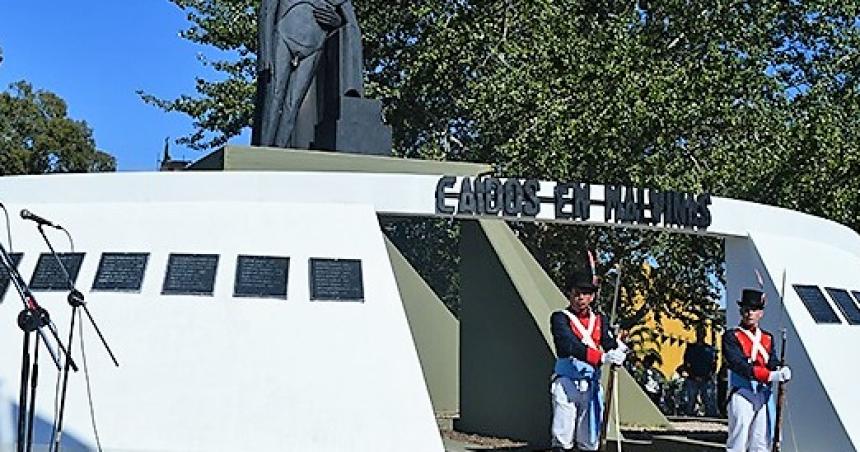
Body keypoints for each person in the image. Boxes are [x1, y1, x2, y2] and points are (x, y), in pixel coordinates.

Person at [254, 0, 363, 147]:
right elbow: (267, 12)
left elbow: (351, 26)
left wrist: (337, 22)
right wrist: (265, 54)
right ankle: (264, 148)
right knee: (274, 95)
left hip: (314, 46)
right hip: (283, 36)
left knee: (293, 104)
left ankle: (279, 150)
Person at [550, 270, 626, 452]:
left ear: (592, 297)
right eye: (576, 293)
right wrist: (601, 357)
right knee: (563, 436)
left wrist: (619, 349)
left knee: (590, 438)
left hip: (591, 384)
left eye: (585, 293)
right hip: (567, 382)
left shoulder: (600, 319)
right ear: (570, 294)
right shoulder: (560, 318)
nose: (580, 298)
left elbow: (608, 343)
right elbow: (569, 345)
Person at [723, 288, 791, 452]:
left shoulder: (767, 338)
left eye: (754, 309)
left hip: (762, 394)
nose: (749, 313)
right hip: (743, 392)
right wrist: (770, 375)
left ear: (761, 313)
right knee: (738, 440)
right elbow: (738, 364)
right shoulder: (731, 336)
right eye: (746, 309)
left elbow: (771, 360)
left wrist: (781, 369)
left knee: (761, 442)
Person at [680, 327, 718, 417]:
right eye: (698, 333)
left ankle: (711, 417)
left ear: (705, 335)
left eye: (702, 333)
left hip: (706, 378)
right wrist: (692, 375)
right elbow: (686, 363)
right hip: (692, 377)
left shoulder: (710, 349)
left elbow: (713, 364)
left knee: (709, 400)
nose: (700, 335)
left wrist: (709, 375)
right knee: (690, 400)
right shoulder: (690, 348)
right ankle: (689, 417)